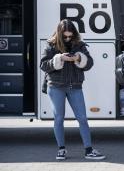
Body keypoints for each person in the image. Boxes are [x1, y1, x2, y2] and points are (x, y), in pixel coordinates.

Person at [40, 19, 106, 161]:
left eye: (70, 36)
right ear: (59, 34)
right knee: (58, 118)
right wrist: (59, 59)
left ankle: (89, 150)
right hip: (55, 86)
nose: (68, 38)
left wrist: (78, 58)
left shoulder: (79, 45)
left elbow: (89, 63)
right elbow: (43, 65)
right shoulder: (51, 45)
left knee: (82, 118)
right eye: (65, 36)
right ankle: (61, 150)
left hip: (75, 86)